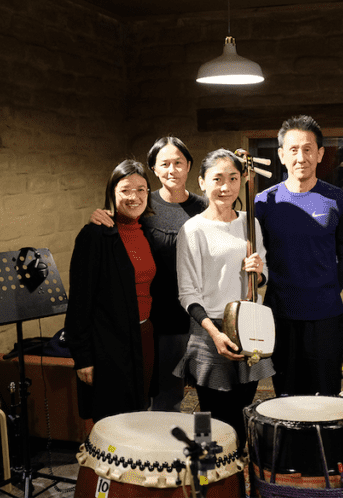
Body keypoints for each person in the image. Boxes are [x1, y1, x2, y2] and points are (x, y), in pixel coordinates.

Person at [90, 137, 207, 412]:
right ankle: (154, 450)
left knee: (190, 394)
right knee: (154, 394)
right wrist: (99, 218)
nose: (172, 170)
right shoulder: (142, 205)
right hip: (154, 316)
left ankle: (187, 448)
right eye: (164, 163)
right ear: (154, 168)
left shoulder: (203, 207)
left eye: (178, 162)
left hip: (194, 313)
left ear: (189, 166)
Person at [174, 149, 273, 448]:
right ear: (202, 182)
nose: (226, 187)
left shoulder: (250, 222)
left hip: (248, 326)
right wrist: (215, 334)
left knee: (241, 412)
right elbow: (187, 292)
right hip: (211, 329)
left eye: (233, 178)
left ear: (242, 180)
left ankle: (232, 471)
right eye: (217, 179)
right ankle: (208, 475)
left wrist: (259, 272)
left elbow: (262, 275)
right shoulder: (193, 229)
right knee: (211, 416)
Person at [254, 115, 343, 397]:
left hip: (325, 316)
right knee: (285, 398)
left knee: (326, 398)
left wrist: (325, 288)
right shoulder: (264, 202)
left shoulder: (339, 200)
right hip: (280, 316)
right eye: (294, 149)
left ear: (320, 153)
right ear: (281, 155)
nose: (301, 157)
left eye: (308, 149)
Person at [65, 159, 157, 422]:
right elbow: (80, 302)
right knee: (113, 421)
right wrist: (82, 358)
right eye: (125, 190)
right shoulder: (95, 235)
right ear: (112, 193)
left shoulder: (146, 231)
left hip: (144, 335)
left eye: (141, 190)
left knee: (141, 413)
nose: (134, 196)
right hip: (109, 344)